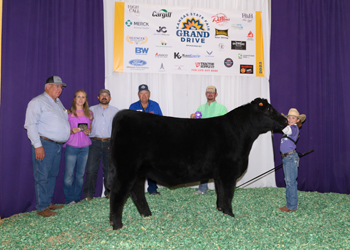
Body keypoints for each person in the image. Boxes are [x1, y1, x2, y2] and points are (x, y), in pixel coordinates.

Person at [24, 76, 70, 217]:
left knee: (52, 175)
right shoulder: (37, 102)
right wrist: (37, 146)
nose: (60, 89)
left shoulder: (58, 103)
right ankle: (41, 207)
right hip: (44, 144)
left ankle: (47, 203)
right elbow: (30, 124)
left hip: (56, 146)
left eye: (61, 87)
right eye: (57, 86)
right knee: (42, 176)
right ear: (48, 86)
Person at [190, 85, 228, 195]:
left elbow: (225, 125)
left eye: (212, 92)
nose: (210, 94)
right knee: (203, 164)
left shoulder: (222, 108)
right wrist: (193, 118)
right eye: (208, 92)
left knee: (219, 165)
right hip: (203, 141)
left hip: (217, 141)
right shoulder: (201, 108)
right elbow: (196, 125)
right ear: (206, 94)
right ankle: (202, 188)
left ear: (216, 94)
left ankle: (221, 188)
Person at [83, 89, 119, 200]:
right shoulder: (90, 110)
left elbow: (118, 128)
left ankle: (109, 193)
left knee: (109, 170)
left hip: (109, 143)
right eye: (102, 95)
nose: (104, 97)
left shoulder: (116, 111)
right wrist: (84, 130)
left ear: (110, 98)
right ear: (98, 97)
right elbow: (84, 123)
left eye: (106, 95)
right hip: (94, 142)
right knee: (91, 170)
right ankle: (89, 195)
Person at [129, 84, 162, 195]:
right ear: (138, 95)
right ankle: (135, 189)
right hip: (137, 141)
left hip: (152, 141)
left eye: (146, 93)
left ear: (149, 94)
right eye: (142, 93)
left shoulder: (155, 105)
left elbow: (161, 122)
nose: (144, 95)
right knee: (137, 165)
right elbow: (130, 124)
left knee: (152, 165)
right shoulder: (133, 106)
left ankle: (152, 189)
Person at [63, 90, 93, 205]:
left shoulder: (89, 113)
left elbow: (90, 129)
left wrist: (88, 131)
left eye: (83, 97)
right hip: (72, 146)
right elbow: (63, 130)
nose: (81, 99)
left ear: (86, 99)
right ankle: (69, 200)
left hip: (85, 147)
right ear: (75, 98)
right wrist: (71, 131)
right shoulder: (68, 113)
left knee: (80, 175)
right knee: (69, 176)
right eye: (79, 97)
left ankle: (76, 198)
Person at [279, 108, 306, 212]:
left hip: (290, 158)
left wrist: (279, 122)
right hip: (287, 158)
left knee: (291, 182)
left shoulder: (293, 128)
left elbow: (286, 129)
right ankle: (289, 204)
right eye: (289, 117)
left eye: (293, 118)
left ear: (297, 120)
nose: (290, 119)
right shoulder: (290, 128)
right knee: (289, 182)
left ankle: (292, 206)